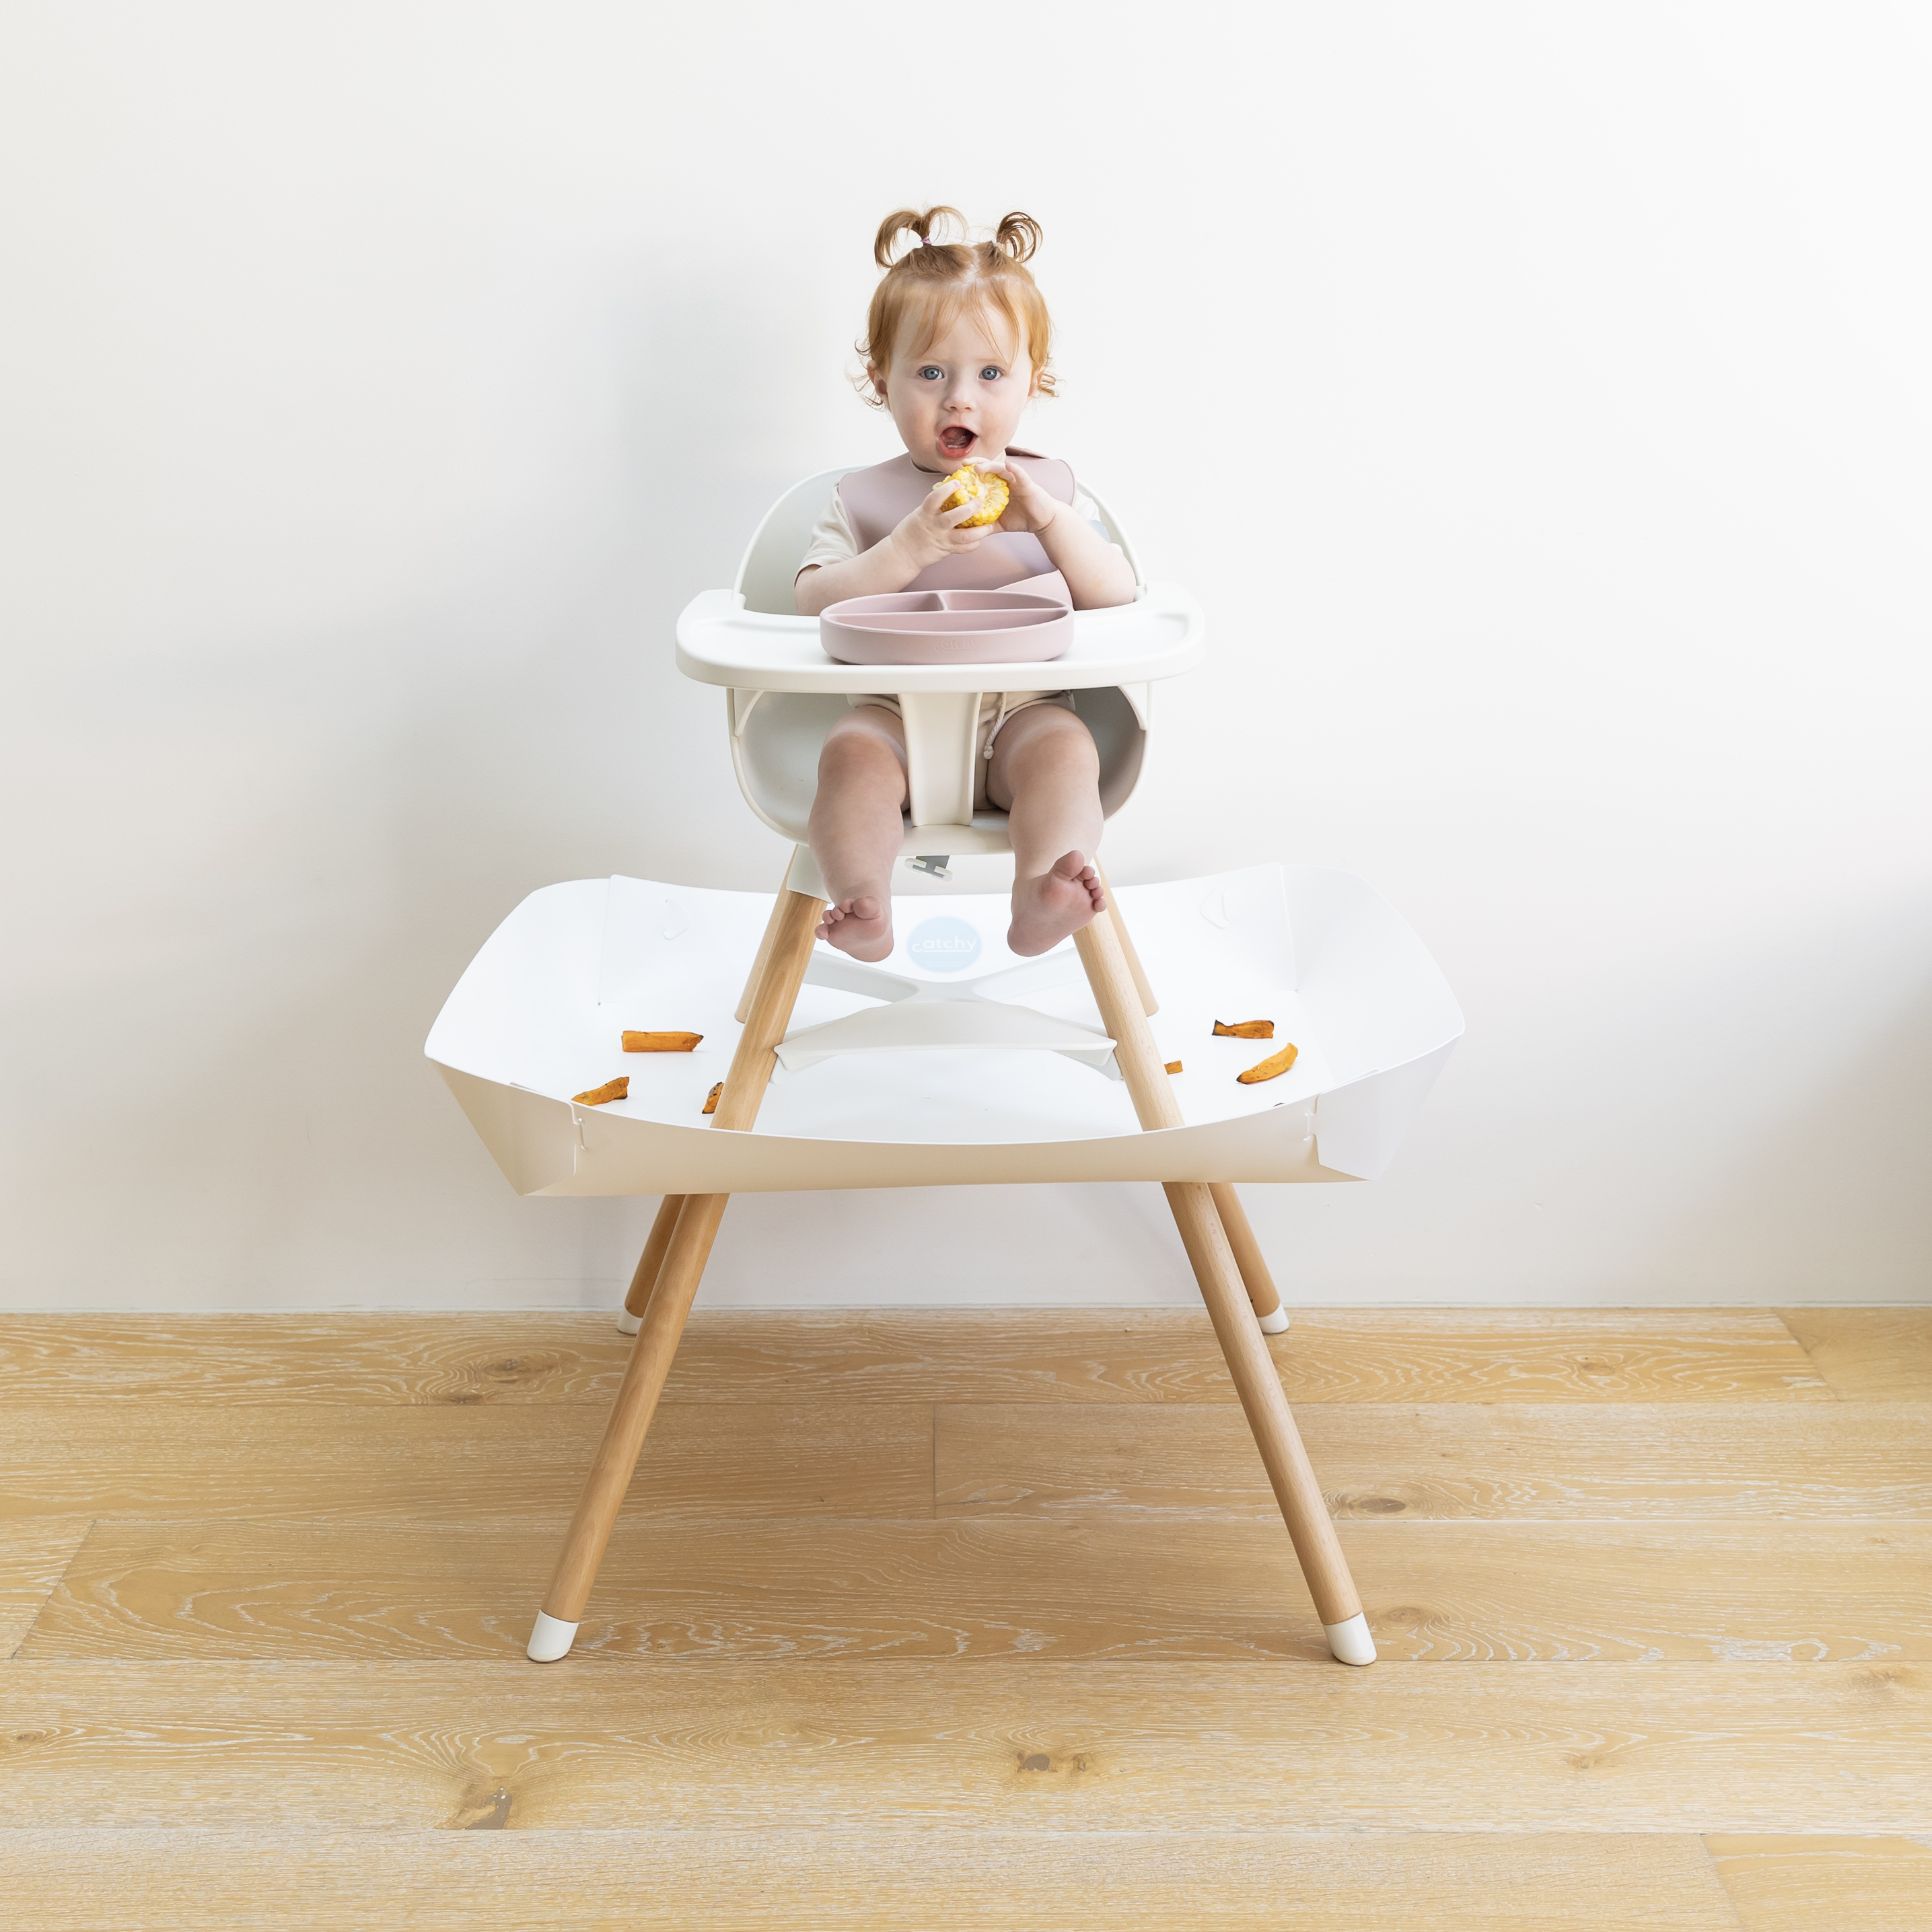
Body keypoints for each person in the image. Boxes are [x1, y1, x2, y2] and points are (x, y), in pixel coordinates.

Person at [794, 207, 1137, 962]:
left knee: (1068, 753)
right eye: (929, 373)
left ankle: (1042, 893)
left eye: (990, 374)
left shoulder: (1050, 493)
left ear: (1031, 381)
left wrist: (1047, 522)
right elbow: (812, 601)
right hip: (895, 725)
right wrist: (908, 546)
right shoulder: (861, 500)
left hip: (1023, 720)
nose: (960, 399)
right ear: (881, 381)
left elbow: (1116, 592)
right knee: (850, 759)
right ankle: (863, 898)